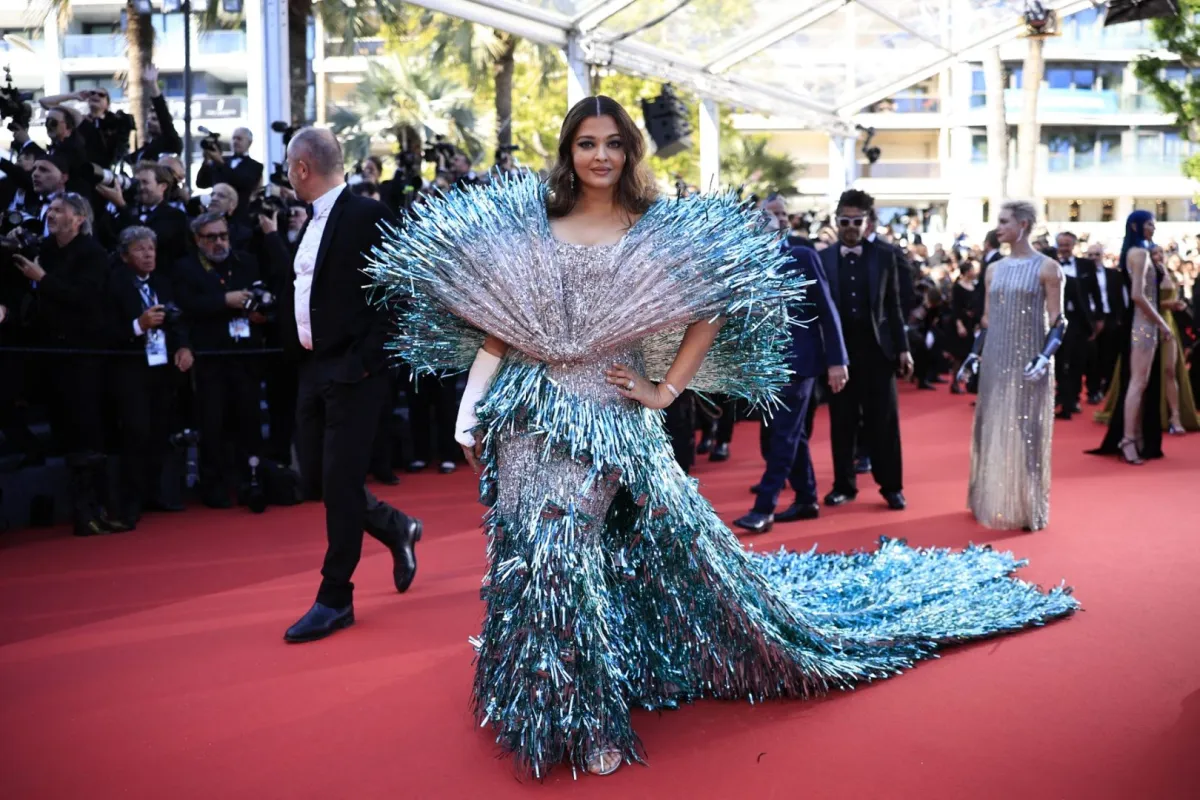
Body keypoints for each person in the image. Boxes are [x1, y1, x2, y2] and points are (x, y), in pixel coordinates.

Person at [369, 95, 1077, 779]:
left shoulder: (651, 227)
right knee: (526, 551)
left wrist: (663, 389)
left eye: (614, 143)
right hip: (526, 413)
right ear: (567, 151)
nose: (601, 155)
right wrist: (471, 406)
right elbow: (500, 325)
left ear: (631, 151)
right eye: (587, 143)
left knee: (565, 550)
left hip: (609, 417)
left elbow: (712, 305)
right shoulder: (535, 223)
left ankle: (583, 722)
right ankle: (528, 692)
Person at [277, 128, 422, 644]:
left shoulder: (367, 215)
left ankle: (335, 597)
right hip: (313, 370)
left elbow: (401, 294)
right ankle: (393, 526)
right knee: (316, 478)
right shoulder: (308, 222)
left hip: (354, 374)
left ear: (301, 168)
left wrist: (365, 363)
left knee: (339, 485)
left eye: (286, 166)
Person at [958, 200, 1063, 532]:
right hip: (995, 361)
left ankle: (1030, 506)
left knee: (1028, 432)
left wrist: (1045, 357)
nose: (998, 226)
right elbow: (987, 321)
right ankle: (984, 500)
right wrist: (974, 355)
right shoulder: (993, 269)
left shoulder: (1048, 268)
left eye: (1004, 221)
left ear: (1024, 225)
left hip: (1031, 360)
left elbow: (1059, 322)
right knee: (989, 426)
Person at [734, 239, 847, 533]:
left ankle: (764, 508)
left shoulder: (802, 256)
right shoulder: (744, 261)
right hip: (767, 366)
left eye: (780, 214)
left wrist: (838, 361)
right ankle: (807, 498)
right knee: (789, 434)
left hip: (799, 363)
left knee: (782, 435)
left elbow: (826, 308)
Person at [819, 189, 913, 510]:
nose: (850, 227)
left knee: (884, 422)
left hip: (878, 352)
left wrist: (903, 349)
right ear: (836, 222)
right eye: (844, 221)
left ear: (868, 223)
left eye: (856, 221)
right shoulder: (823, 258)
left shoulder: (885, 255)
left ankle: (892, 487)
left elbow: (894, 306)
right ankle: (844, 485)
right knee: (842, 422)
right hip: (838, 355)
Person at [1089, 211, 1171, 464]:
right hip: (1143, 325)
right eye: (1149, 224)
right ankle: (1128, 440)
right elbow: (1137, 295)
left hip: (1143, 324)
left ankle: (1133, 436)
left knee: (1140, 384)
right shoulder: (1140, 254)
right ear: (1136, 226)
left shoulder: (1138, 253)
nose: (1153, 228)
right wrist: (1161, 323)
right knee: (1137, 384)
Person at [1052, 232, 1102, 420]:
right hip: (1055, 318)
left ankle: (1072, 398)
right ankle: (1060, 396)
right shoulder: (1050, 264)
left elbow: (1095, 293)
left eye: (1067, 244)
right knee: (1057, 360)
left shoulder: (1086, 265)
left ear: (1073, 245)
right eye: (1061, 244)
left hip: (1079, 320)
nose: (1064, 248)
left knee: (1077, 360)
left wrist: (1098, 318)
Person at [1154, 248, 1198, 434]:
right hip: (1146, 326)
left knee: (1170, 371)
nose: (1158, 256)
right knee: (1144, 375)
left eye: (1160, 253)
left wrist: (1176, 306)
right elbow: (1138, 301)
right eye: (1154, 253)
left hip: (1167, 324)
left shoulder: (1169, 274)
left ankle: (1175, 416)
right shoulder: (1144, 273)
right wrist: (1168, 305)